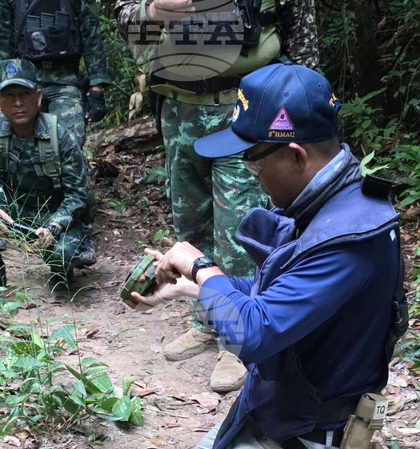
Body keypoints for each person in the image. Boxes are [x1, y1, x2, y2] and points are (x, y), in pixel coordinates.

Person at [131, 63, 406, 449]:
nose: (254, 179)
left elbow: (253, 334)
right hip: (290, 408)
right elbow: (269, 297)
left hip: (310, 433)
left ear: (296, 154)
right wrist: (192, 287)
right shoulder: (330, 204)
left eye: (255, 164)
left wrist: (202, 263)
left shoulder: (346, 239)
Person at [115, 0, 319, 393]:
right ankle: (205, 323)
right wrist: (155, 10)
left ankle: (238, 337)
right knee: (190, 223)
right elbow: (127, 22)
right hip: (178, 107)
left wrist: (299, 107)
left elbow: (302, 34)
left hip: (247, 108)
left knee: (240, 228)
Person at [0, 59, 94, 291]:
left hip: (53, 213)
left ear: (38, 97)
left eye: (24, 94)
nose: (18, 103)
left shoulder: (59, 135)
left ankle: (62, 269)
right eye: (9, 96)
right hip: (14, 209)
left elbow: (78, 195)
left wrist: (53, 228)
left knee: (64, 256)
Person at [0, 0, 110, 146]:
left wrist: (97, 87)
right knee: (21, 147)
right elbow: (2, 36)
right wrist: (1, 86)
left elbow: (90, 32)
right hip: (25, 84)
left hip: (66, 81)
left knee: (71, 145)